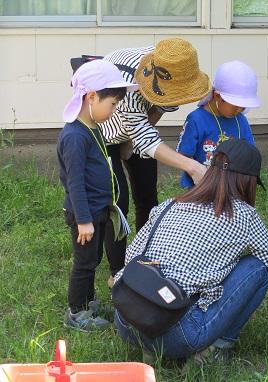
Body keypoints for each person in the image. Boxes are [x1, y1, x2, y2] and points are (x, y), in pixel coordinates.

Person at [113, 138, 268, 360]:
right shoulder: (244, 215)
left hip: (127, 321)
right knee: (258, 268)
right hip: (178, 336)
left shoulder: (170, 204)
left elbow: (132, 257)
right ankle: (214, 350)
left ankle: (149, 347)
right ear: (247, 181)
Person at [99, 38, 211, 287]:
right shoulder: (125, 87)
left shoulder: (173, 64)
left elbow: (159, 109)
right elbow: (148, 141)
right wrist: (192, 166)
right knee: (118, 202)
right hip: (104, 133)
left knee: (147, 196)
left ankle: (145, 260)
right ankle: (118, 273)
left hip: (137, 127)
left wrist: (138, 136)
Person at [57, 60, 138, 330]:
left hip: (99, 209)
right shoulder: (74, 137)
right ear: (92, 97)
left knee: (94, 260)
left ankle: (89, 301)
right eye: (113, 104)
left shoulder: (94, 128)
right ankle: (76, 311)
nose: (114, 110)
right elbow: (75, 182)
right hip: (85, 214)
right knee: (84, 263)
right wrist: (83, 220)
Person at [176, 60, 260, 188]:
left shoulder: (240, 120)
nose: (240, 110)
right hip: (199, 187)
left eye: (244, 106)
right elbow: (184, 154)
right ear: (217, 96)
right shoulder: (196, 120)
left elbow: (249, 152)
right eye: (236, 105)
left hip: (231, 186)